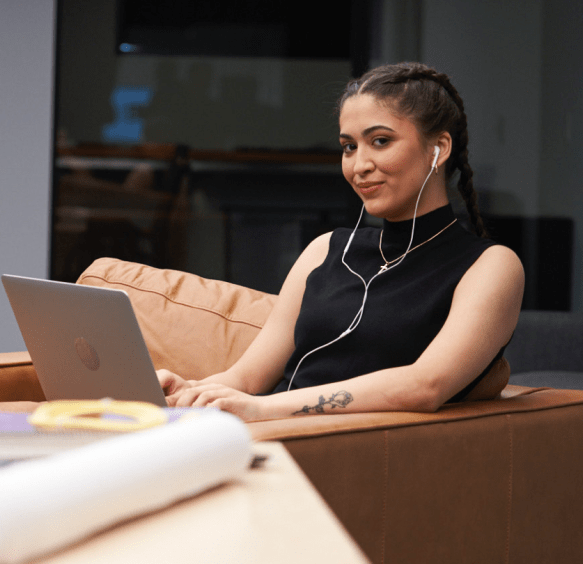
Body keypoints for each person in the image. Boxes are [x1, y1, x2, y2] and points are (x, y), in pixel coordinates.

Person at [157, 62, 524, 422]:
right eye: (349, 147)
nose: (358, 165)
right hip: (265, 433)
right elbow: (248, 378)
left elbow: (426, 385)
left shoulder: (491, 266)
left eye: (380, 141)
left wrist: (264, 410)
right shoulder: (326, 248)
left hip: (343, 450)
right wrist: (188, 389)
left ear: (438, 149)